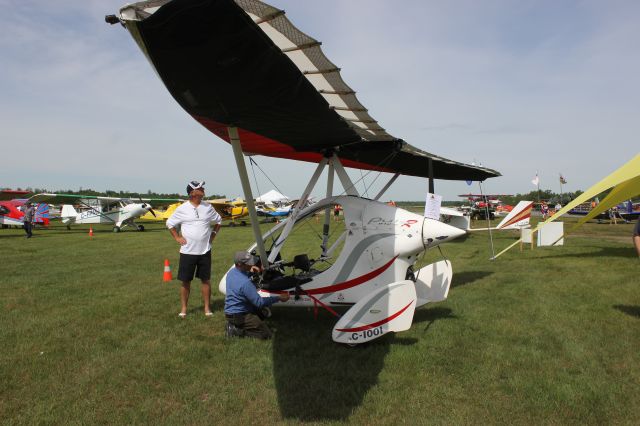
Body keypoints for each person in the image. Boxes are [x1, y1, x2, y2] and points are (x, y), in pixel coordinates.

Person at [167, 181, 222, 318]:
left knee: (206, 280)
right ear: (192, 193)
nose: (203, 189)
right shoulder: (182, 208)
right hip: (187, 252)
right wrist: (177, 237)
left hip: (205, 251)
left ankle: (207, 308)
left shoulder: (208, 207)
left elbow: (219, 221)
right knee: (186, 281)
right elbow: (169, 223)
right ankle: (184, 309)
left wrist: (213, 235)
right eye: (200, 188)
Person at [224, 251, 290, 339]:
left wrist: (252, 272)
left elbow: (242, 276)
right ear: (240, 264)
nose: (252, 265)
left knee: (262, 314)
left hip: (231, 312)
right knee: (266, 334)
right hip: (239, 315)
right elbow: (259, 302)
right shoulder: (245, 283)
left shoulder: (232, 272)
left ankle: (236, 324)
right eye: (248, 263)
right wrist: (278, 298)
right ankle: (235, 329)